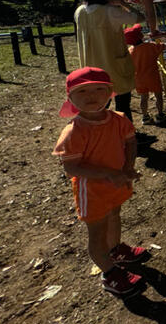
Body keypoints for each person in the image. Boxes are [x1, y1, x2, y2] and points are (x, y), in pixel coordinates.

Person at [53, 67, 148, 297]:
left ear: (110, 92)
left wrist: (128, 167)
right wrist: (109, 174)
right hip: (92, 191)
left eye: (99, 89)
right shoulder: (74, 132)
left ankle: (116, 250)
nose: (91, 96)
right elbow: (71, 167)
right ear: (70, 98)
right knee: (97, 232)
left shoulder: (119, 120)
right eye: (82, 91)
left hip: (116, 183)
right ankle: (109, 273)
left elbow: (131, 142)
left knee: (115, 215)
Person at [75, 0, 143, 123]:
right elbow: (140, 17)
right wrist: (122, 3)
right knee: (122, 104)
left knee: (98, 105)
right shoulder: (111, 12)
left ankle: (100, 132)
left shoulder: (79, 12)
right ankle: (125, 132)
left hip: (91, 69)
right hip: (113, 66)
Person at [124, 23, 166, 126]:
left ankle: (145, 117)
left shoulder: (130, 51)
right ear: (140, 36)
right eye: (140, 32)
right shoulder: (150, 46)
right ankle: (160, 115)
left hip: (139, 79)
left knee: (143, 97)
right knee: (158, 95)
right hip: (152, 76)